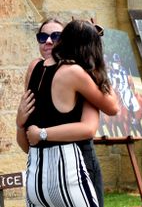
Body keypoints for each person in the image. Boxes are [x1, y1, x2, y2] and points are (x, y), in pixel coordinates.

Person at [16, 19, 119, 207]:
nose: (49, 41)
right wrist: (95, 60)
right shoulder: (77, 73)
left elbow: (27, 142)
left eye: (55, 36)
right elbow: (110, 109)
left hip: (36, 177)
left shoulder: (36, 68)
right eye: (43, 37)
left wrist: (22, 125)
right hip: (69, 171)